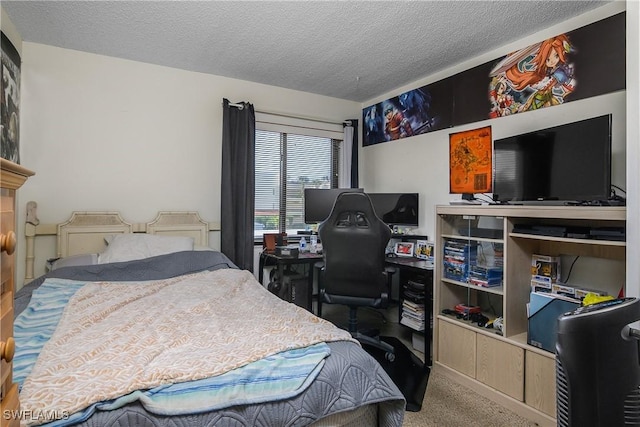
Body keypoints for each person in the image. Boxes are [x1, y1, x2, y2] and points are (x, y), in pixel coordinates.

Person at [505, 34, 576, 111]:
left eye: (556, 56)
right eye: (548, 59)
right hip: (541, 98)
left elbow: (552, 84)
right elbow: (546, 85)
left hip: (548, 97)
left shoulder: (560, 71)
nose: (552, 62)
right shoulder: (549, 72)